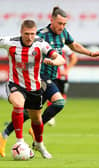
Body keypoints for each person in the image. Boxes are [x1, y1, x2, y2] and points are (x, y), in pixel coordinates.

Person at [0, 6, 99, 157]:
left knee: (38, 111)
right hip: (38, 78)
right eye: (59, 23)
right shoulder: (39, 36)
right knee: (23, 106)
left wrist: (89, 53)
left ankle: (11, 133)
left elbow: (73, 46)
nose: (62, 27)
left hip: (49, 78)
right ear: (51, 21)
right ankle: (15, 137)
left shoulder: (63, 34)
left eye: (64, 24)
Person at [0, 19, 65, 159]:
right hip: (15, 84)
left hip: (34, 88)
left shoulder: (40, 44)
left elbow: (61, 59)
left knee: (36, 120)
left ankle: (39, 144)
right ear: (21, 32)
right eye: (26, 34)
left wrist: (54, 62)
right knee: (18, 104)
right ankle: (20, 141)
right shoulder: (9, 42)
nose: (30, 37)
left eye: (32, 34)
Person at [47, 45, 78, 126]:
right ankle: (50, 117)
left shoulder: (63, 46)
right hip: (49, 76)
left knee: (61, 97)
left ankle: (51, 115)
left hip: (62, 77)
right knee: (50, 95)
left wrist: (67, 70)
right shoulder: (45, 45)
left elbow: (74, 57)